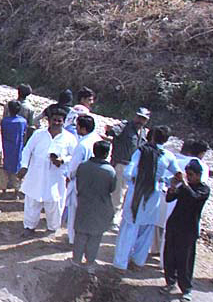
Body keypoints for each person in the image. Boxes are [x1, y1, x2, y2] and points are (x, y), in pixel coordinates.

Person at [113, 126, 181, 271]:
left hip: (136, 194)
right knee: (146, 229)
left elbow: (128, 172)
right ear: (167, 139)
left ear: (151, 137)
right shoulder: (168, 156)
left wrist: (137, 181)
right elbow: (179, 175)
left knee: (129, 228)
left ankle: (120, 263)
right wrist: (164, 181)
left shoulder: (141, 151)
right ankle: (138, 262)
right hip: (154, 196)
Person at [18, 105, 74, 234]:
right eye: (54, 120)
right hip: (36, 175)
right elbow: (27, 150)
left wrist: (63, 160)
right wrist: (24, 166)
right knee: (32, 202)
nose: (56, 123)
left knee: (54, 204)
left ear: (63, 122)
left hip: (55, 178)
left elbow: (74, 157)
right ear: (49, 120)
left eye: (59, 121)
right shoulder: (39, 134)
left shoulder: (69, 138)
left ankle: (52, 228)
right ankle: (29, 227)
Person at [162, 160, 209, 302]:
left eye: (191, 175)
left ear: (199, 175)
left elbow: (194, 198)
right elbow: (169, 199)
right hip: (174, 225)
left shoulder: (203, 189)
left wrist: (184, 184)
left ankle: (186, 289)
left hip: (188, 229)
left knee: (185, 260)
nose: (188, 177)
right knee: (169, 256)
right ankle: (170, 282)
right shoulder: (184, 187)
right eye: (187, 175)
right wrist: (172, 187)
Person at [71, 139, 117, 268]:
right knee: (95, 236)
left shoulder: (83, 166)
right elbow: (112, 188)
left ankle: (76, 260)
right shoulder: (109, 171)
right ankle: (90, 261)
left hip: (83, 203)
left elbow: (78, 183)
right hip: (100, 207)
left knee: (80, 233)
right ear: (106, 154)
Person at [106, 106, 150, 215]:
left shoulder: (144, 132)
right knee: (117, 193)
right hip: (121, 164)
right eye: (139, 117)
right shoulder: (125, 127)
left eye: (143, 119)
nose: (140, 121)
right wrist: (110, 129)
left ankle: (117, 216)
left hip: (135, 167)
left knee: (127, 194)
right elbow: (112, 131)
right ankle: (112, 218)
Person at [64, 113, 99, 242]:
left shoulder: (82, 145)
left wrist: (68, 177)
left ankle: (73, 239)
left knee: (74, 212)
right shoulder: (97, 139)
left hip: (80, 182)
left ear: (83, 128)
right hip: (94, 182)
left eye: (78, 126)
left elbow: (74, 167)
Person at [0, 97, 29, 195]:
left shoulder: (4, 121)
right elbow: (24, 134)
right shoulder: (23, 121)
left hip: (5, 148)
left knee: (3, 170)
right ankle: (16, 191)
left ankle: (3, 191)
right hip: (17, 149)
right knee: (16, 170)